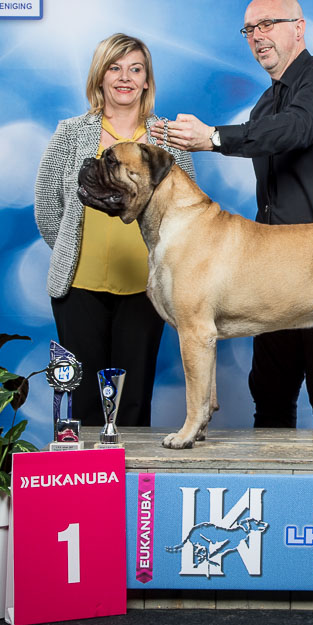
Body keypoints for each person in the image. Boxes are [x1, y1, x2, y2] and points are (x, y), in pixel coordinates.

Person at [150, 0, 313, 429]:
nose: (257, 36)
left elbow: (295, 129)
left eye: (268, 24)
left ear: (299, 28)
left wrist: (213, 137)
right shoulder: (264, 105)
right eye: (250, 29)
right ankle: (274, 478)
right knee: (270, 392)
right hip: (273, 271)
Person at [35, 33, 195, 427]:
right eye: (115, 68)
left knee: (134, 399)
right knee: (84, 402)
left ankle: (130, 468)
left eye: (135, 69)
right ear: (100, 77)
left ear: (146, 81)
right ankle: (90, 469)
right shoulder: (71, 132)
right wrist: (72, 250)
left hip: (146, 285)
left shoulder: (169, 139)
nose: (125, 77)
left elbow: (187, 213)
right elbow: (47, 206)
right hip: (79, 286)